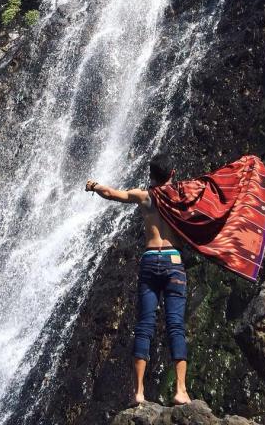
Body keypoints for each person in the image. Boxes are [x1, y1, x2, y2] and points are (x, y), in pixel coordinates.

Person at [85, 157, 190, 407]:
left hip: (150, 260)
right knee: (175, 325)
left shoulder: (144, 197)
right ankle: (181, 390)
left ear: (151, 174)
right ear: (172, 173)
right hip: (174, 262)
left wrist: (94, 185)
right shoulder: (181, 197)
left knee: (145, 325)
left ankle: (139, 392)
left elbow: (111, 193)